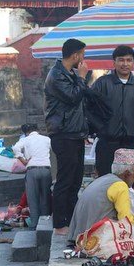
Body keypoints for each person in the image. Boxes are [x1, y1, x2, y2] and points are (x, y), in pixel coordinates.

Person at [91, 45, 134, 178]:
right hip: (106, 143)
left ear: (133, 62)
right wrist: (101, 129)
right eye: (121, 60)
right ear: (114, 62)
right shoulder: (102, 83)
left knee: (126, 180)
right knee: (106, 180)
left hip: (130, 143)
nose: (125, 64)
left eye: (128, 60)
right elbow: (90, 109)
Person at [46, 38, 90, 236]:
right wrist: (81, 77)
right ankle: (60, 223)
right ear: (75, 55)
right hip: (63, 133)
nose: (83, 58)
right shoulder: (57, 75)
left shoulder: (69, 73)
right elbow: (73, 97)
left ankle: (72, 219)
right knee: (64, 179)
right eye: (82, 54)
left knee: (75, 179)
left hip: (75, 133)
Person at [69, 149, 134, 243]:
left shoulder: (103, 179)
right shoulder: (120, 186)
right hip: (97, 238)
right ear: (127, 174)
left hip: (79, 237)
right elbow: (127, 223)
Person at [13, 124, 52, 227]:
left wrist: (23, 161)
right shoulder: (47, 139)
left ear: (26, 132)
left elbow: (15, 148)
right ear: (37, 130)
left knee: (33, 200)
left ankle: (34, 225)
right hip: (46, 169)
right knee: (45, 199)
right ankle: (45, 225)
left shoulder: (25, 140)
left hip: (32, 170)